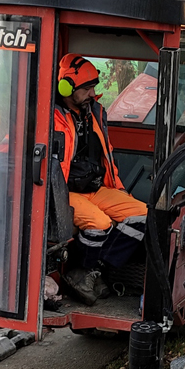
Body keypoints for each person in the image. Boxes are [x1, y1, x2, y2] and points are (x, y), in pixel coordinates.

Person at [53, 54, 147, 305]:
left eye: (93, 87)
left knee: (142, 215)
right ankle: (81, 272)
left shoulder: (95, 112)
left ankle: (94, 270)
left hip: (96, 187)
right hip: (65, 191)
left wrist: (118, 188)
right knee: (99, 224)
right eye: (86, 88)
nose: (93, 93)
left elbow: (107, 153)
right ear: (66, 88)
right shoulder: (49, 116)